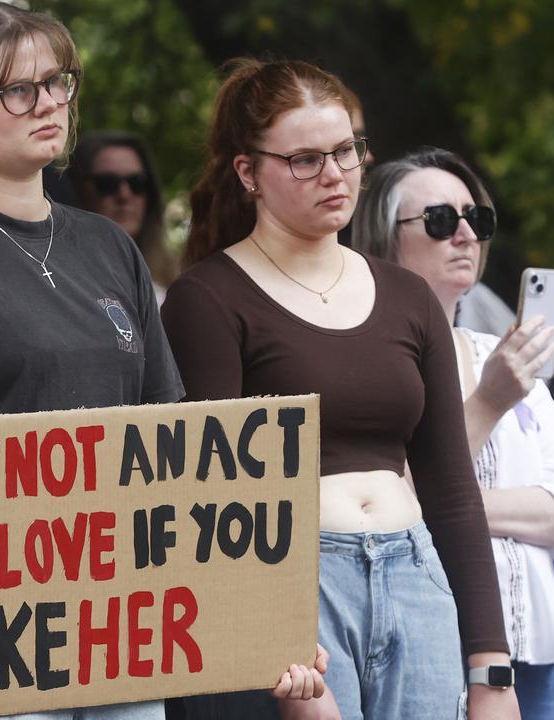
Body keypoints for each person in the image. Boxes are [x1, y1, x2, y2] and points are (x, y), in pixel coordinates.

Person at [0, 5, 326, 719]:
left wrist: (262, 617)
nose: (50, 104)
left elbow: (176, 452)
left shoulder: (108, 245)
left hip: (120, 632)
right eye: (18, 90)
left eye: (58, 81)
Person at [160, 59, 519, 719]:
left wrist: (491, 669)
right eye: (304, 159)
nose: (335, 174)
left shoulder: (408, 296)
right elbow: (208, 500)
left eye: (348, 151)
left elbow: (452, 490)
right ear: (249, 173)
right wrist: (280, 651)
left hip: (415, 576)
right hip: (295, 587)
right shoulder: (207, 298)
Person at [352, 147, 554, 719]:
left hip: (533, 644)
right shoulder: (364, 365)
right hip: (426, 641)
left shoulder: (502, 354)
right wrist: (489, 401)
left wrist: (447, 502)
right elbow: (379, 501)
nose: (466, 234)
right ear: (381, 237)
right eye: (441, 220)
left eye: (477, 219)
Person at [70, 131, 178, 299]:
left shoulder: (179, 278)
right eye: (107, 184)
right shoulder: (63, 279)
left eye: (137, 183)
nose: (124, 195)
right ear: (79, 191)